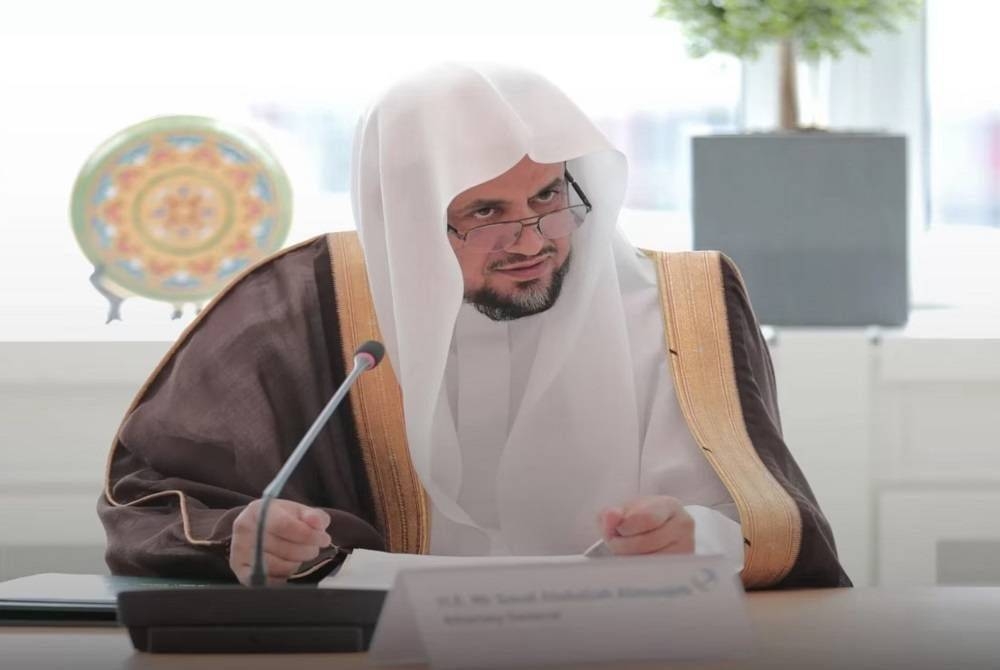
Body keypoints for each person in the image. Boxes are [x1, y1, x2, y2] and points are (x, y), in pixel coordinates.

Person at [98, 63, 851, 589]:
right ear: (405, 215)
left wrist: (697, 537)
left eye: (548, 197)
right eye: (485, 212)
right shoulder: (296, 307)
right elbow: (154, 497)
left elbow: (773, 520)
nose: (531, 241)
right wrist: (248, 538)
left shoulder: (688, 304)